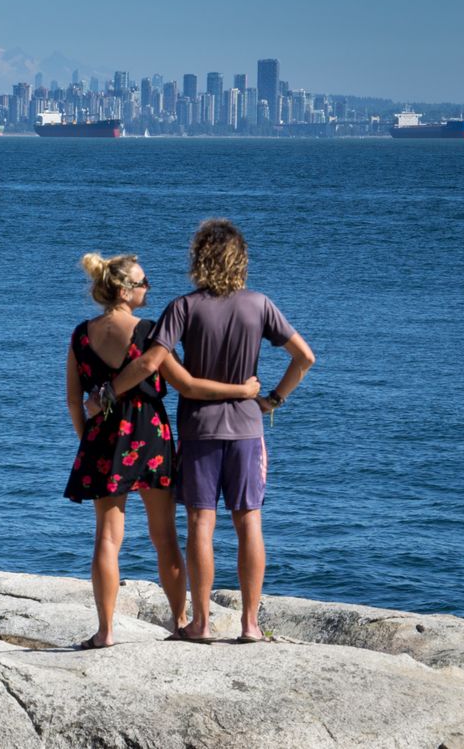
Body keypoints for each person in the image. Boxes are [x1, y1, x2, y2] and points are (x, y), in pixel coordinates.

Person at [109, 219, 315, 643]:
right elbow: (304, 357)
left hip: (199, 430)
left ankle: (200, 623)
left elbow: (153, 363)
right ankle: (251, 625)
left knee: (201, 522)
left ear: (199, 260)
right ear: (240, 260)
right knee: (249, 521)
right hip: (247, 429)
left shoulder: (183, 307)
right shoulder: (259, 305)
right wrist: (273, 398)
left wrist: (105, 394)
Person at [65, 252, 260, 650]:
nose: (148, 288)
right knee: (165, 534)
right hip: (147, 435)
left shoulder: (81, 335)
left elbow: (73, 400)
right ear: (123, 290)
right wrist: (244, 392)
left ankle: (105, 632)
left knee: (106, 537)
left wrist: (89, 436)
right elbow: (188, 385)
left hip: (102, 434)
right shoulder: (149, 333)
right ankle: (181, 620)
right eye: (142, 282)